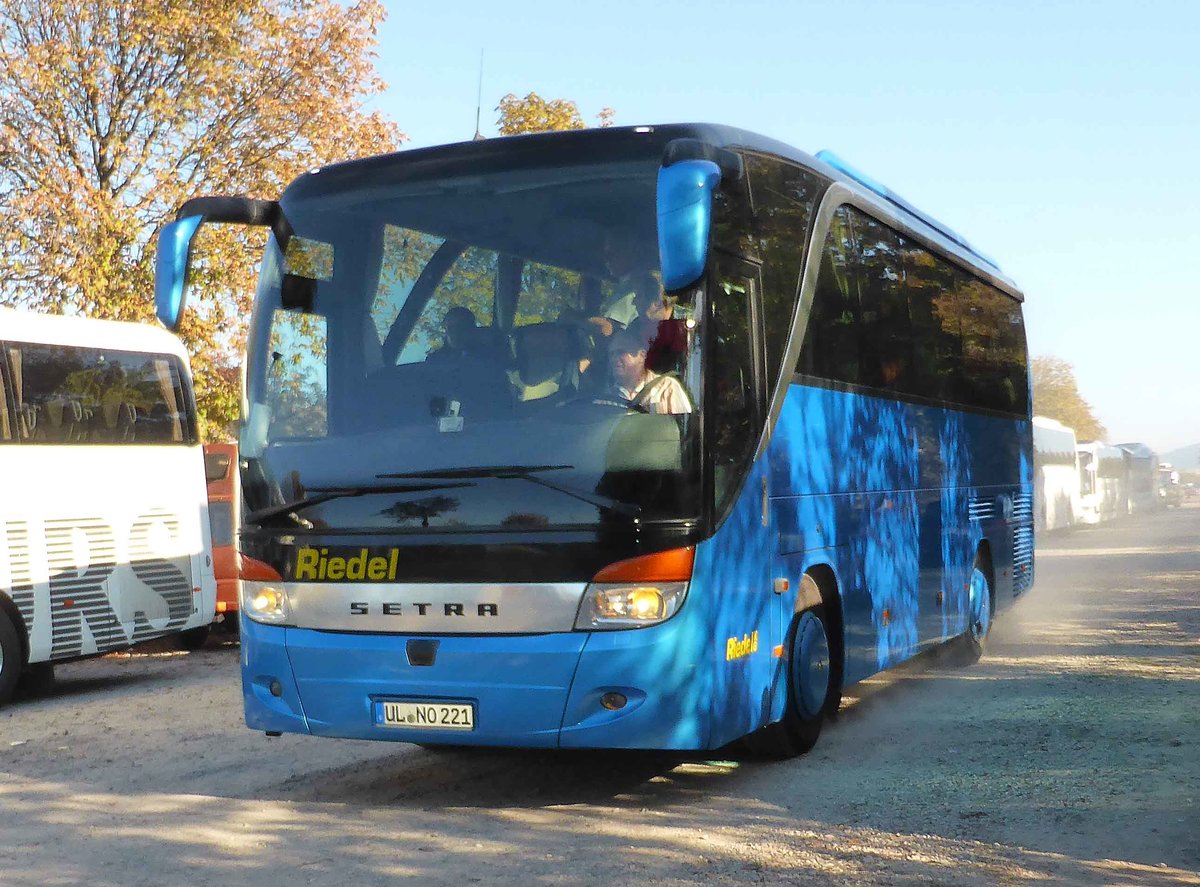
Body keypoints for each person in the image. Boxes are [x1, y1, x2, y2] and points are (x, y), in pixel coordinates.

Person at [602, 329, 692, 415]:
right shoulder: (606, 398)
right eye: (611, 354)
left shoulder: (667, 387)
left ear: (642, 355)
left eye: (621, 352)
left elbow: (682, 423)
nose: (614, 358)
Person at [626, 273, 688, 375]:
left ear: (658, 302)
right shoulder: (635, 327)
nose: (634, 302)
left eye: (639, 296)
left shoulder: (688, 327)